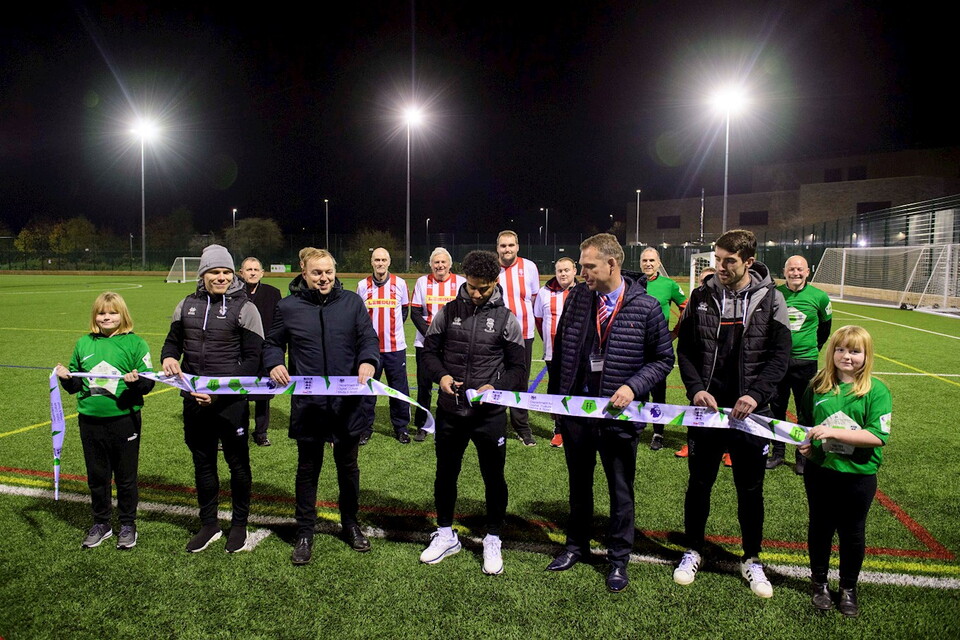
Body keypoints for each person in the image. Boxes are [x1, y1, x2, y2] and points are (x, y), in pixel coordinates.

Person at [544, 233, 674, 593]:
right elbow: (563, 350)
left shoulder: (645, 306)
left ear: (611, 264)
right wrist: (557, 402)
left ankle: (618, 559)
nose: (581, 272)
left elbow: (663, 359)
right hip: (577, 413)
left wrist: (632, 386)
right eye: (581, 266)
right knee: (578, 484)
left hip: (619, 416)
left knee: (620, 489)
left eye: (588, 266)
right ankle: (576, 546)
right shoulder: (577, 298)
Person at [673, 229, 791, 598]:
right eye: (717, 259)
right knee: (699, 483)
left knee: (751, 489)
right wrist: (696, 389)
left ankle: (751, 558)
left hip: (751, 415)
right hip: (707, 413)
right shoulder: (700, 296)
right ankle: (693, 550)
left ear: (748, 262)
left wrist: (756, 395)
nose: (720, 267)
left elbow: (780, 357)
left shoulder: (772, 298)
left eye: (729, 261)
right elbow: (686, 351)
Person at [263, 248, 380, 566]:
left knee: (348, 468)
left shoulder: (352, 303)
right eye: (317, 273)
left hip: (347, 405)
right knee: (307, 469)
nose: (324, 278)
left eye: (328, 271)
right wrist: (274, 362)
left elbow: (368, 339)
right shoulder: (288, 307)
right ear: (303, 272)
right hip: (310, 406)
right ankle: (304, 532)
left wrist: (368, 361)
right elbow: (272, 343)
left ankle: (351, 524)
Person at [418, 250, 527, 575]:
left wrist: (496, 388)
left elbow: (518, 368)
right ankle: (445, 533)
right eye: (472, 286)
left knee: (493, 476)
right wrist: (442, 377)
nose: (476, 294)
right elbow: (428, 354)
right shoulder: (447, 312)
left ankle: (493, 537)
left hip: (489, 416)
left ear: (495, 282)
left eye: (483, 288)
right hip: (450, 412)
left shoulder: (507, 319)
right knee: (445, 473)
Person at [161, 244, 264, 553]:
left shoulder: (245, 308)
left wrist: (218, 394)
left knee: (238, 464)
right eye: (214, 272)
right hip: (194, 400)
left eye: (226, 272)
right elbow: (172, 342)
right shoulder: (186, 305)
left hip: (230, 403)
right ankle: (209, 524)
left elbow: (253, 360)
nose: (221, 277)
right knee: (203, 462)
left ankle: (239, 524)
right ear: (203, 274)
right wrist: (169, 357)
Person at [798, 325, 890, 618]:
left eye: (855, 351)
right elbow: (806, 424)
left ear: (866, 355)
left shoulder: (877, 391)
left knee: (853, 532)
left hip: (858, 475)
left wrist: (834, 433)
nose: (846, 356)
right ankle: (820, 583)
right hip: (821, 472)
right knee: (820, 527)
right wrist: (806, 447)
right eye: (840, 349)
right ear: (831, 352)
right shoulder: (817, 386)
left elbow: (877, 436)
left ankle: (848, 587)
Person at [56, 292, 155, 550]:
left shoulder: (135, 343)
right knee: (97, 476)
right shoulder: (83, 343)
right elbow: (75, 385)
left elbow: (148, 385)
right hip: (89, 421)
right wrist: (65, 378)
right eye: (101, 313)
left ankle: (127, 524)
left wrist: (135, 383)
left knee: (125, 477)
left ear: (123, 315)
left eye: (112, 313)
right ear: (95, 316)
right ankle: (101, 523)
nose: (106, 317)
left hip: (124, 420)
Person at [767, 255, 832, 473]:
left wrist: (811, 349)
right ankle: (777, 452)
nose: (796, 273)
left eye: (800, 269)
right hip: (779, 361)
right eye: (791, 269)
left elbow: (825, 329)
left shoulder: (820, 297)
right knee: (777, 407)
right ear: (784, 272)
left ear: (807, 272)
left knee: (805, 410)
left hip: (805, 363)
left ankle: (802, 456)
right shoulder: (774, 294)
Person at [357, 247, 412, 444]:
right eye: (377, 260)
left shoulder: (400, 283)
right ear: (371, 262)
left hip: (395, 348)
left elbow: (404, 311)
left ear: (389, 262)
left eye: (383, 260)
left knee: (398, 389)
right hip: (370, 350)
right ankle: (365, 428)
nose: (380, 263)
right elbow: (360, 315)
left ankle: (401, 428)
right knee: (367, 390)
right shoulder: (362, 285)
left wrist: (391, 331)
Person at [410, 247, 466, 442]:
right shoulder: (422, 282)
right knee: (424, 386)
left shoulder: (460, 282)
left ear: (450, 264)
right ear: (431, 265)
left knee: (452, 386)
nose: (440, 265)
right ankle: (422, 425)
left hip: (452, 344)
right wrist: (432, 337)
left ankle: (451, 423)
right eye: (436, 262)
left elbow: (465, 313)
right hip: (425, 345)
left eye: (443, 262)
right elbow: (415, 313)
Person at [639, 247, 687, 452]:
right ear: (640, 263)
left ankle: (658, 432)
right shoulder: (634, 284)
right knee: (637, 388)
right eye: (644, 260)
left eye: (652, 260)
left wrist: (675, 332)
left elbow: (686, 307)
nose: (648, 264)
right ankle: (637, 426)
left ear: (659, 263)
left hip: (659, 347)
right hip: (636, 347)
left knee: (658, 391)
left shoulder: (669, 285)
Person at [496, 230, 540, 446]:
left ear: (517, 246)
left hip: (523, 334)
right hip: (495, 336)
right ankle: (496, 424)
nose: (507, 249)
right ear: (497, 248)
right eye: (503, 246)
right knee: (495, 379)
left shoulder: (529, 267)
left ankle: (522, 427)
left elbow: (534, 299)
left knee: (521, 381)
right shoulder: (491, 267)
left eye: (511, 245)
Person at [532, 256, 577, 447]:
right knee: (557, 391)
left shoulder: (585, 291)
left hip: (577, 353)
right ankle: (559, 430)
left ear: (574, 271)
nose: (563, 274)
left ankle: (576, 428)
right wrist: (551, 341)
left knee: (576, 390)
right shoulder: (544, 292)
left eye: (567, 270)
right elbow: (539, 320)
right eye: (560, 271)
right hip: (552, 353)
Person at [239, 256, 283, 447]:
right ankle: (237, 430)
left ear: (262, 273)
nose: (253, 273)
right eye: (249, 270)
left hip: (265, 351)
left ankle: (261, 432)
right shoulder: (233, 292)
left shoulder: (272, 293)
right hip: (239, 352)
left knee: (263, 395)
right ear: (241, 273)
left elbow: (279, 324)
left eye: (256, 269)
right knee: (237, 394)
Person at [676, 266, 715, 460]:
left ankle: (727, 451)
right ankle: (691, 442)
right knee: (695, 406)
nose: (706, 284)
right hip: (699, 369)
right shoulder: (695, 301)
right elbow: (684, 342)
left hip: (718, 371)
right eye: (703, 281)